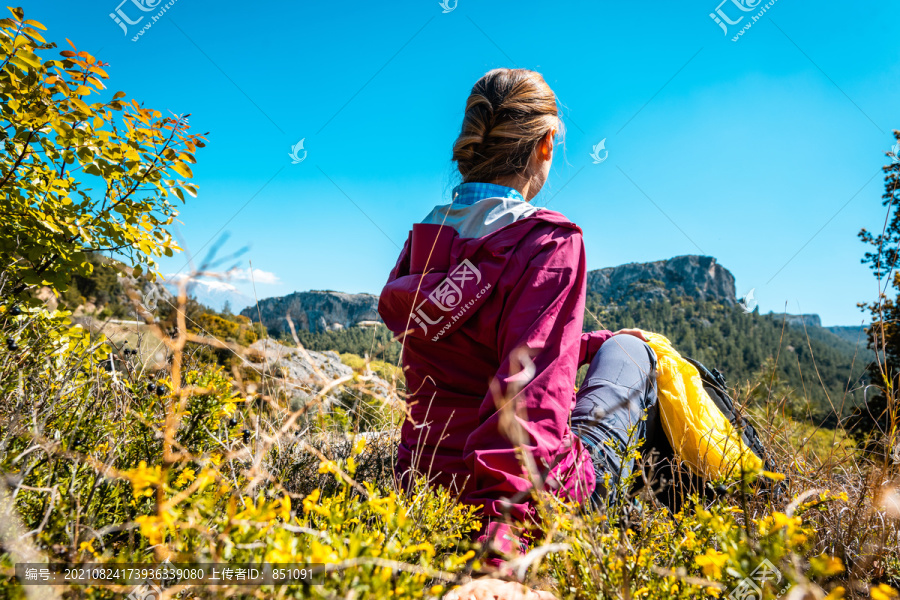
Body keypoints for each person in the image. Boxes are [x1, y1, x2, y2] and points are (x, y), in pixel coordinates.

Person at [377, 68, 660, 562]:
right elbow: (527, 405)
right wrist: (502, 550)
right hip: (515, 510)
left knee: (616, 343)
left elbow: (478, 341)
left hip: (424, 483)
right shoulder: (548, 242)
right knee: (637, 352)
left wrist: (589, 342)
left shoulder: (424, 242)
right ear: (546, 144)